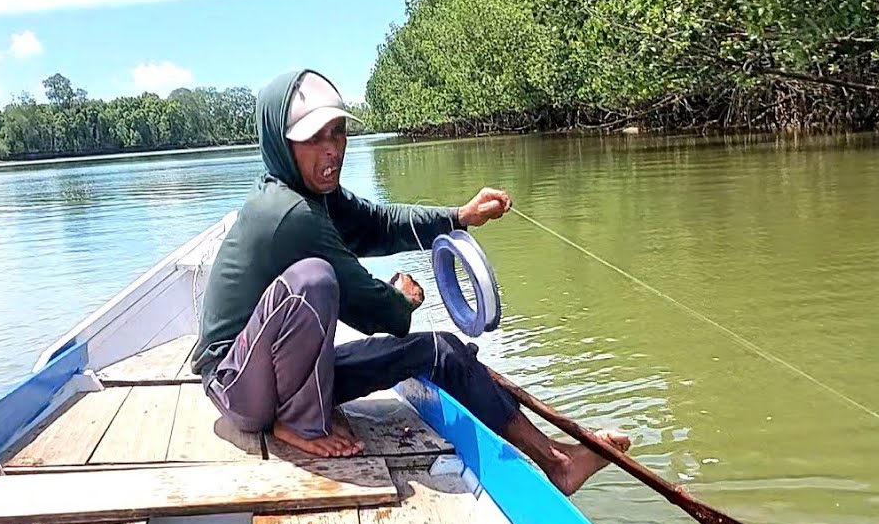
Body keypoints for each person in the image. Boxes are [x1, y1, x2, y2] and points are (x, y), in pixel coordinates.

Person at [190, 68, 627, 495]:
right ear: (280, 145)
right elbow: (373, 310)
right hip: (237, 386)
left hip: (289, 375)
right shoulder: (288, 214)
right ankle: (297, 422)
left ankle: (559, 463)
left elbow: (380, 223)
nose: (332, 151)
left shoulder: (318, 198)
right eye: (312, 139)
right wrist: (401, 300)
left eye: (338, 133)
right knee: (315, 279)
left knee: (443, 351)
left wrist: (459, 216)